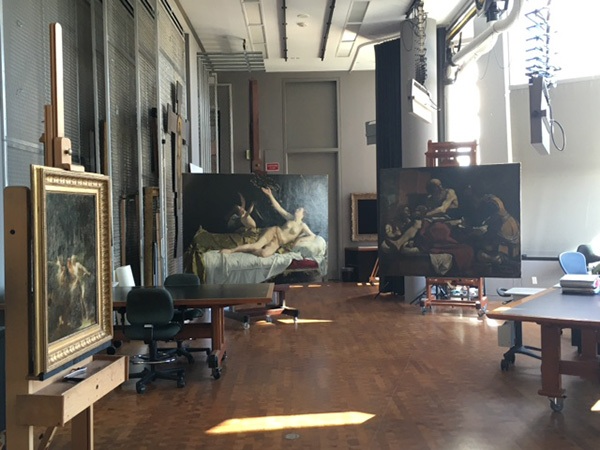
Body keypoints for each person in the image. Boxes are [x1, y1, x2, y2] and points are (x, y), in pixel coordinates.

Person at [221, 186, 315, 257]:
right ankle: (231, 251)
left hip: (279, 242)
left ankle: (246, 251)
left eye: (299, 210)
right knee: (256, 246)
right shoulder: (290, 217)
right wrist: (270, 195)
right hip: (274, 231)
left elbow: (313, 236)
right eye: (297, 209)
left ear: (303, 214)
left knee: (264, 254)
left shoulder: (303, 226)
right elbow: (278, 207)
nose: (296, 210)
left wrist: (300, 240)